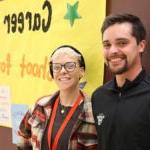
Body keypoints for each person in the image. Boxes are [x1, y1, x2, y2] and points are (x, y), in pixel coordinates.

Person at [17, 45, 97, 150]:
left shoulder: (93, 113)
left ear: (81, 71)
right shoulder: (39, 107)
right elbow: (23, 140)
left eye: (70, 65)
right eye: (57, 67)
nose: (63, 71)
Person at [91, 13, 150, 150]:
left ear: (141, 45)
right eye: (107, 45)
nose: (113, 51)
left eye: (122, 43)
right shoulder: (99, 96)